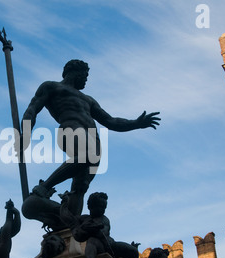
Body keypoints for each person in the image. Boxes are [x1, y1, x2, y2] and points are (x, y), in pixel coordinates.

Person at [19, 59, 160, 219]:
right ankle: (45, 187)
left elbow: (110, 121)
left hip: (94, 138)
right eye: (85, 75)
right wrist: (26, 132)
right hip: (70, 129)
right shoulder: (52, 86)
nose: (86, 79)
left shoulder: (89, 100)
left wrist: (136, 123)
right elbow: (32, 109)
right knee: (89, 154)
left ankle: (71, 222)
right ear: (74, 72)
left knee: (81, 185)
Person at [60, 192, 141, 258]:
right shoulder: (84, 219)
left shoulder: (104, 219)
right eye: (99, 206)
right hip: (98, 245)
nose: (102, 209)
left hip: (110, 245)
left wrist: (86, 229)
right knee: (92, 241)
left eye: (104, 207)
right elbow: (68, 218)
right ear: (90, 206)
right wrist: (64, 203)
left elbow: (103, 232)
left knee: (133, 251)